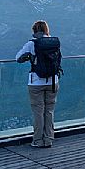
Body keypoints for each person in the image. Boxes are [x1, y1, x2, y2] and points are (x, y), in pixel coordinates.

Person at [16, 20, 62, 148]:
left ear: (34, 31)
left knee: (38, 112)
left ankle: (37, 140)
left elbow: (18, 57)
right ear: (46, 30)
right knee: (49, 111)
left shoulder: (32, 44)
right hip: (53, 81)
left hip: (36, 82)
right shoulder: (54, 43)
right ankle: (48, 139)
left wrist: (28, 57)